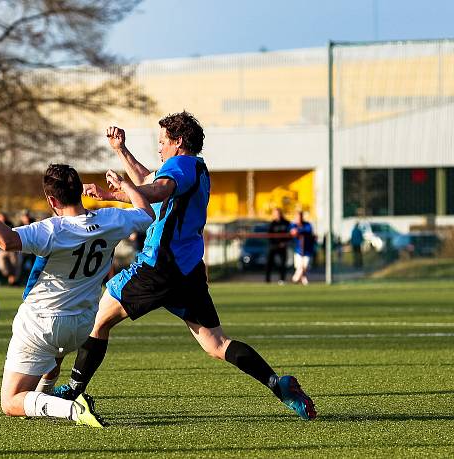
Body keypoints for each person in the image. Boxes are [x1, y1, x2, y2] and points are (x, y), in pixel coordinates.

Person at [58, 112, 316, 421]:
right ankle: (278, 384)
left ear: (179, 142)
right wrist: (121, 155)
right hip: (187, 269)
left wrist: (125, 188)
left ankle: (72, 392)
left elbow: (156, 190)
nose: (159, 148)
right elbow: (149, 183)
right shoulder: (195, 168)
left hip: (158, 266)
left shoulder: (179, 167)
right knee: (217, 343)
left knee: (98, 322)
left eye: (163, 142)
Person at [0, 164, 154, 428]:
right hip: (82, 326)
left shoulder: (52, 230)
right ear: (80, 192)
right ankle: (47, 398)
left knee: (10, 402)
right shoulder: (111, 219)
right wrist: (125, 185)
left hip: (42, 324)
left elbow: (6, 240)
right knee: (51, 358)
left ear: (51, 200)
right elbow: (147, 213)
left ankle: (70, 408)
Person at [265, 208, 291, 284]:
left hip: (283, 246)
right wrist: (274, 244)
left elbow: (290, 234)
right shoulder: (272, 224)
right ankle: (267, 280)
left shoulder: (286, 223)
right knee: (269, 263)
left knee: (283, 263)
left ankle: (282, 280)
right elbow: (269, 235)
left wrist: (285, 243)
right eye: (276, 214)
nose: (277, 215)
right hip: (273, 246)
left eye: (278, 213)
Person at [290, 211, 315, 285]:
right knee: (299, 267)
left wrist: (298, 230)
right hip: (298, 250)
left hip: (307, 250)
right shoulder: (293, 225)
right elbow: (291, 231)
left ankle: (295, 279)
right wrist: (295, 231)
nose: (299, 218)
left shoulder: (307, 224)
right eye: (297, 217)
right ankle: (304, 280)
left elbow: (308, 230)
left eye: (300, 216)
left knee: (305, 266)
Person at [0, 212, 20, 285]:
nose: (2, 219)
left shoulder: (10, 225)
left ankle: (14, 280)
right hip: (1, 250)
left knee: (15, 264)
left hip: (11, 249)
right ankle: (9, 277)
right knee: (2, 266)